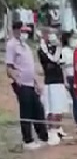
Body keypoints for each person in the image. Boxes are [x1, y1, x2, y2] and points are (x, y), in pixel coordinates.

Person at [6, 21, 50, 149]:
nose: (25, 34)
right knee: (26, 111)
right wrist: (15, 78)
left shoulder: (26, 46)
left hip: (31, 83)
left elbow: (31, 67)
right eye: (23, 31)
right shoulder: (11, 45)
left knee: (38, 110)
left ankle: (43, 137)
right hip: (22, 83)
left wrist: (37, 83)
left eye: (26, 32)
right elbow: (9, 67)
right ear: (16, 30)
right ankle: (28, 140)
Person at [38, 30, 67, 144]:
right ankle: (51, 131)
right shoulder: (43, 51)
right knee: (53, 109)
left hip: (59, 82)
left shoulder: (57, 50)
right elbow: (48, 60)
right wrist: (43, 42)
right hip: (51, 83)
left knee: (60, 108)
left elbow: (61, 63)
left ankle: (58, 128)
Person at [61, 32, 77, 125]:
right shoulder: (64, 51)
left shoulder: (74, 50)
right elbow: (63, 67)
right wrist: (65, 81)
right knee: (75, 98)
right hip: (70, 76)